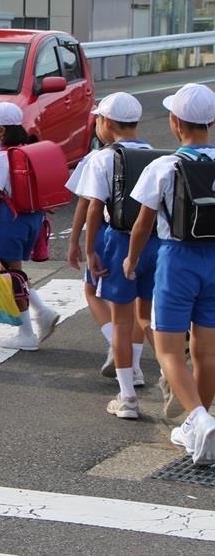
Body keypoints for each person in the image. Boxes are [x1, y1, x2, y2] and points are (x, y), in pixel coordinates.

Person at [125, 83, 215, 466]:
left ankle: (197, 418)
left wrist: (131, 261)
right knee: (207, 351)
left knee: (167, 349)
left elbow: (143, 224)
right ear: (211, 122)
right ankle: (201, 420)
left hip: (176, 260)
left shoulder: (163, 166)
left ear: (175, 122)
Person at [77, 92, 156, 419]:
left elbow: (95, 207)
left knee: (120, 322)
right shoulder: (157, 155)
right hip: (154, 243)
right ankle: (146, 371)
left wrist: (89, 248)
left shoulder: (103, 157)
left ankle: (127, 398)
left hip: (118, 241)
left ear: (106, 122)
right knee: (145, 315)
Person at [0, 101, 59, 351]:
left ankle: (27, 333)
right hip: (33, 220)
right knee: (15, 272)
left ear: (1, 130)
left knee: (11, 277)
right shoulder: (31, 152)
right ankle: (41, 312)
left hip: (10, 222)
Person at [65, 125, 118, 382]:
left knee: (91, 289)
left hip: (109, 235)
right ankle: (136, 365)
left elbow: (87, 204)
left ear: (106, 123)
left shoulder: (97, 158)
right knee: (137, 304)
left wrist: (78, 242)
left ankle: (116, 347)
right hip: (143, 238)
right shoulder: (151, 153)